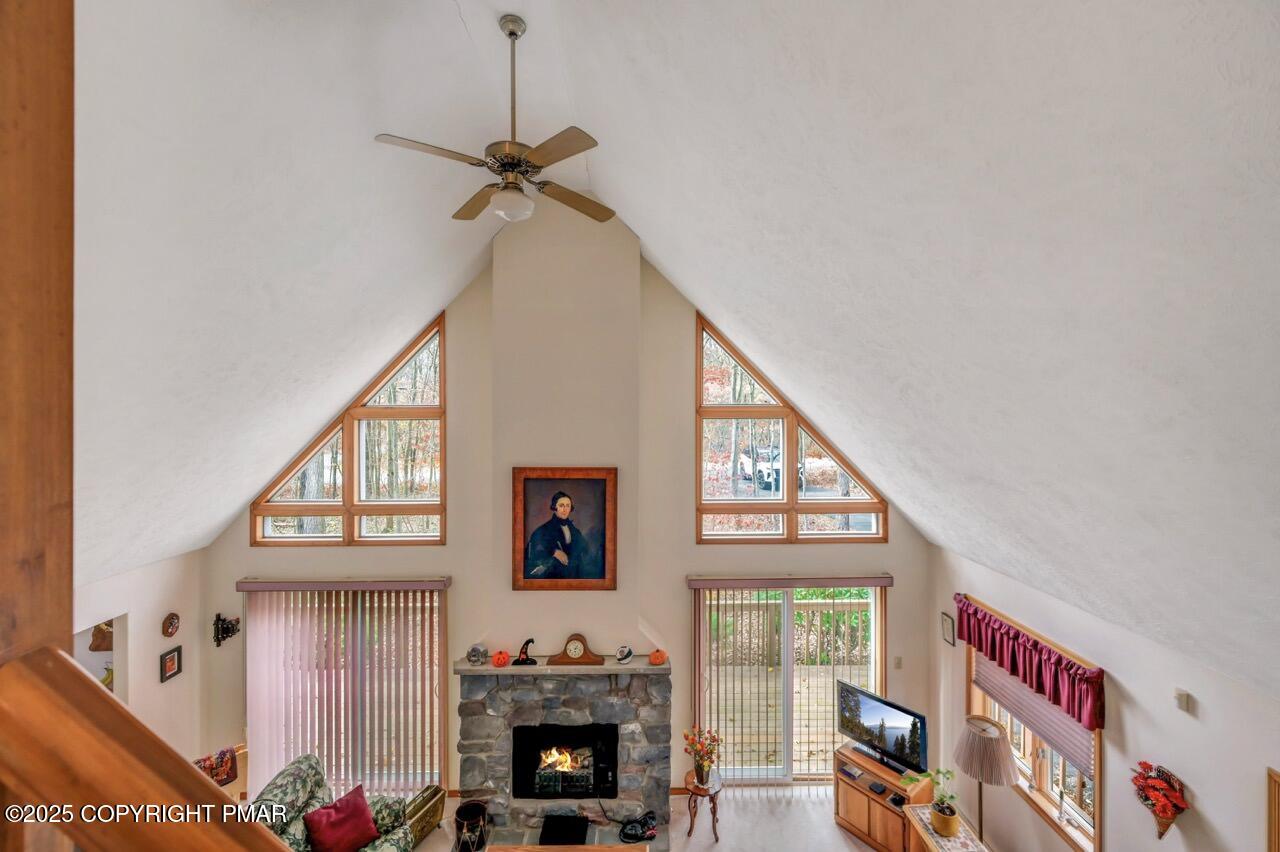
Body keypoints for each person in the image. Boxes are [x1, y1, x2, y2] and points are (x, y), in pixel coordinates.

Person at [525, 491, 591, 579]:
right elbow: (533, 552)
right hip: (553, 576)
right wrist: (553, 552)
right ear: (554, 507)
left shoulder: (574, 530)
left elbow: (585, 548)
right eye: (561, 505)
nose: (565, 509)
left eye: (568, 506)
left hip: (574, 576)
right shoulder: (543, 530)